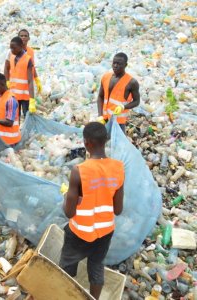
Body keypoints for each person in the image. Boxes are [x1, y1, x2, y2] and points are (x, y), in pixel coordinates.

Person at [59, 122, 124, 300]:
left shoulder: (79, 171)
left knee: (67, 264)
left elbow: (69, 213)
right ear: (106, 141)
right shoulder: (118, 168)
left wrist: (67, 195)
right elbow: (118, 210)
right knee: (96, 266)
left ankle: (66, 293)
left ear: (86, 143)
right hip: (105, 232)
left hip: (80, 232)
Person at [96, 52, 140, 132]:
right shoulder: (106, 77)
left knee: (117, 143)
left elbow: (137, 101)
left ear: (125, 65)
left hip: (118, 123)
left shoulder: (131, 82)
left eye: (119, 64)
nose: (115, 66)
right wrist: (100, 115)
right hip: (104, 119)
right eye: (114, 63)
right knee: (103, 142)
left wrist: (123, 107)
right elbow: (100, 96)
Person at [4, 37, 35, 119]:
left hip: (25, 96)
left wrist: (32, 99)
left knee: (27, 116)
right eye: (11, 48)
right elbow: (6, 68)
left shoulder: (27, 59)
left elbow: (30, 81)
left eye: (14, 48)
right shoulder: (11, 56)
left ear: (21, 46)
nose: (12, 50)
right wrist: (7, 81)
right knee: (14, 118)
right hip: (14, 95)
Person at [4, 29, 42, 94]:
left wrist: (37, 79)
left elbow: (32, 67)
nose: (23, 37)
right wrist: (7, 81)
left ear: (29, 38)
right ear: (18, 38)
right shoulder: (11, 51)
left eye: (25, 36)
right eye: (21, 36)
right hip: (14, 86)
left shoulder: (31, 51)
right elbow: (6, 68)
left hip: (26, 86)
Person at [0, 73, 21, 146]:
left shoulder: (10, 100)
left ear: (3, 84)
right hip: (2, 139)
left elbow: (9, 122)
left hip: (11, 141)